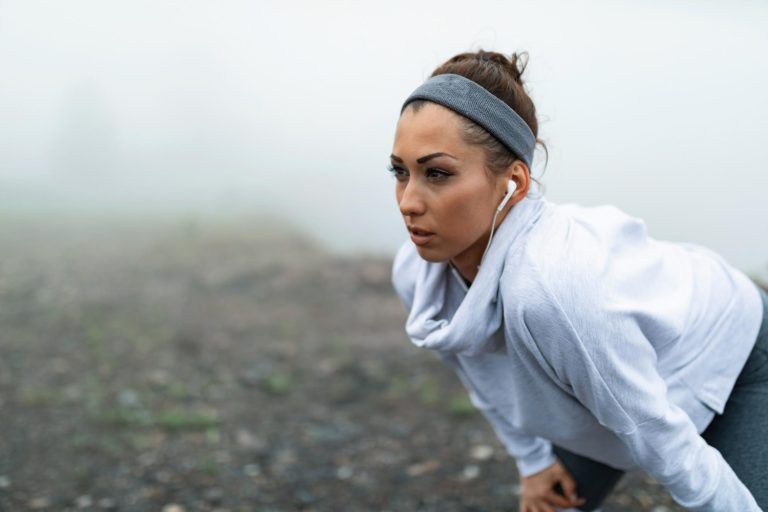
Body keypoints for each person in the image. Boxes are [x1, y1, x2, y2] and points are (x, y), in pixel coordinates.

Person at [388, 49, 768, 512]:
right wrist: (533, 464)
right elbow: (484, 381)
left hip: (734, 353)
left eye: (438, 174)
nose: (408, 201)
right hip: (608, 400)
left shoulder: (551, 292)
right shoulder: (417, 274)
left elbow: (657, 434)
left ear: (514, 184)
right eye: (400, 172)